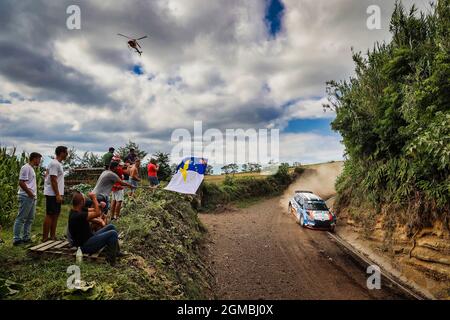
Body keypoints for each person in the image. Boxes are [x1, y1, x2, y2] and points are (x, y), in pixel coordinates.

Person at [68, 192, 121, 265]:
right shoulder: (78, 215)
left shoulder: (78, 210)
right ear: (81, 202)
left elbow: (93, 209)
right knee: (112, 234)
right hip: (84, 246)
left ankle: (117, 252)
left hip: (89, 238)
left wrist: (99, 205)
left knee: (111, 226)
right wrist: (94, 198)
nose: (85, 201)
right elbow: (97, 213)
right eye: (84, 200)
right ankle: (111, 261)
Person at [13, 152, 42, 246]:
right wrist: (29, 193)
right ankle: (16, 239)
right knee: (21, 218)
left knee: (30, 219)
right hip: (26, 196)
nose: (40, 161)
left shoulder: (32, 168)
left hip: (31, 197)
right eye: (39, 159)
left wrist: (33, 195)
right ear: (34, 158)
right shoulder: (25, 167)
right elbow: (21, 182)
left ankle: (26, 238)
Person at [43, 146, 68, 242]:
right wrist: (57, 194)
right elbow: (53, 180)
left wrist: (60, 194)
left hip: (56, 194)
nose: (67, 154)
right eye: (66, 152)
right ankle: (45, 238)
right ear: (61, 153)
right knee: (50, 214)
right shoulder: (54, 163)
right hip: (52, 194)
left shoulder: (58, 164)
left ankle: (52, 236)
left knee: (56, 214)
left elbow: (47, 176)